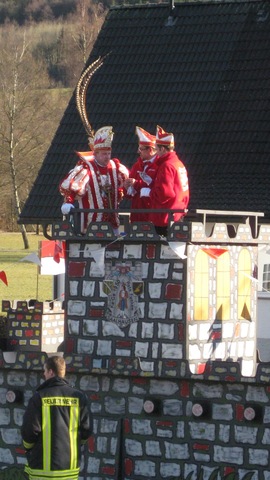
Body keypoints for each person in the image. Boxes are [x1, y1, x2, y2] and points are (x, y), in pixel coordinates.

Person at [21, 356, 92, 480]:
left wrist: (28, 448)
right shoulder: (79, 398)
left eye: (45, 370)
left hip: (42, 470)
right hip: (70, 469)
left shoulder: (39, 398)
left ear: (51, 372)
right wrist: (75, 444)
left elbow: (29, 432)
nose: (43, 374)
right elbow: (86, 430)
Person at [59, 126, 129, 235]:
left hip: (112, 222)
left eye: (108, 154)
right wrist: (68, 202)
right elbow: (73, 188)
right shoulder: (86, 168)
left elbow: (122, 187)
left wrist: (122, 190)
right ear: (95, 154)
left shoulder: (115, 167)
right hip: (92, 224)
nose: (107, 157)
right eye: (103, 154)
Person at [141, 125, 189, 237]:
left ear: (162, 149)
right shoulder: (178, 164)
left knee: (158, 252)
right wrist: (152, 183)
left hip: (164, 218)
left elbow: (165, 193)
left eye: (157, 149)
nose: (156, 153)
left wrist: (148, 192)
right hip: (177, 215)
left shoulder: (166, 166)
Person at [124, 126, 158, 222]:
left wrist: (137, 183)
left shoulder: (159, 166)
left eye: (141, 149)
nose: (138, 151)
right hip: (136, 216)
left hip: (151, 217)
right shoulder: (137, 165)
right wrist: (126, 187)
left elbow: (158, 188)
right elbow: (130, 195)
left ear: (150, 150)